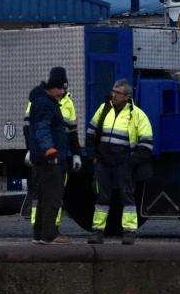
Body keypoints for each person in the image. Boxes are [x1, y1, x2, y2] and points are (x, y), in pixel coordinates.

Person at [85, 78, 154, 245]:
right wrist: (93, 156)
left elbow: (146, 145)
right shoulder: (104, 109)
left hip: (123, 164)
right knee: (102, 198)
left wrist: (130, 162)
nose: (113, 95)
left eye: (117, 92)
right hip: (103, 162)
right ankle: (97, 231)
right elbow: (90, 133)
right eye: (113, 91)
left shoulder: (137, 115)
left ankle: (129, 232)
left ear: (127, 96)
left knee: (127, 198)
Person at [24, 66, 83, 233]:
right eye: (60, 88)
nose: (63, 92)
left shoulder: (67, 103)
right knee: (47, 195)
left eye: (65, 89)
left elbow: (72, 131)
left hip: (59, 155)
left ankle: (47, 230)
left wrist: (76, 153)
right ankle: (46, 232)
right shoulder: (42, 102)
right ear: (53, 86)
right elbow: (31, 128)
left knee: (53, 194)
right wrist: (32, 148)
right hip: (48, 155)